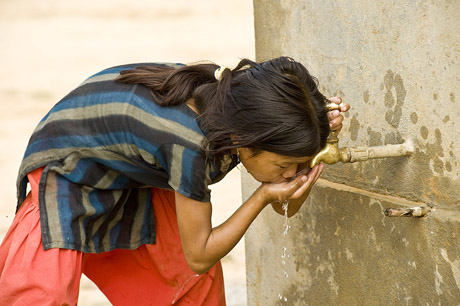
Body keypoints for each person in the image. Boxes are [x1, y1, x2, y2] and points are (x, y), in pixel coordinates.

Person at [0, 56, 349, 305]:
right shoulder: (190, 146)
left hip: (138, 170)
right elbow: (201, 254)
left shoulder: (236, 109)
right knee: (42, 293)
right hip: (68, 164)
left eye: (299, 164)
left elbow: (285, 206)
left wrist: (318, 141)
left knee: (189, 286)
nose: (292, 174)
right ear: (245, 142)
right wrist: (260, 196)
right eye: (287, 164)